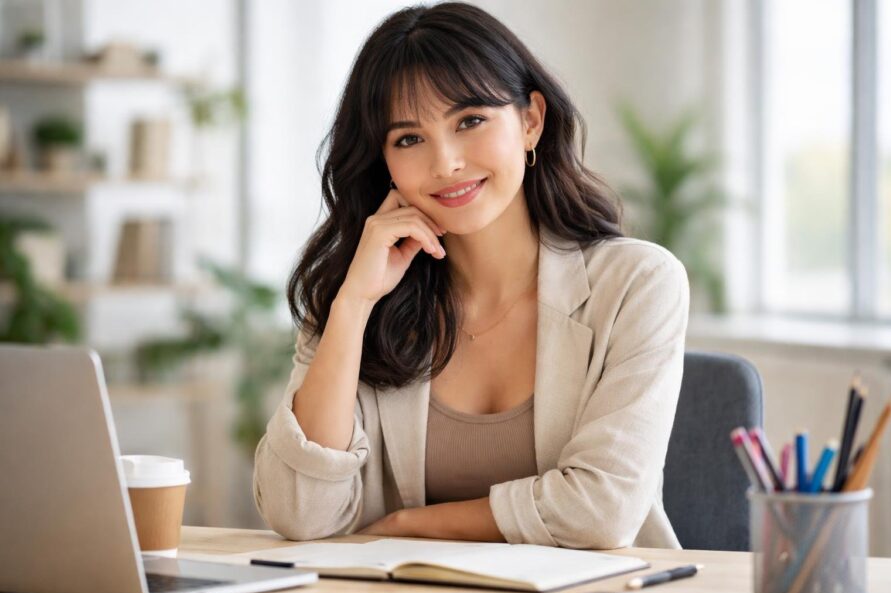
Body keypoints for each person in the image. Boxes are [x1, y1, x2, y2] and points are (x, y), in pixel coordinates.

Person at [253, 1, 689, 550]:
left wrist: (406, 525)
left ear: (531, 121)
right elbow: (300, 512)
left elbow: (600, 511)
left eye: (470, 121)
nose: (446, 163)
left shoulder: (637, 284)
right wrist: (353, 306)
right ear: (384, 161)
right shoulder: (358, 293)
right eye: (409, 139)